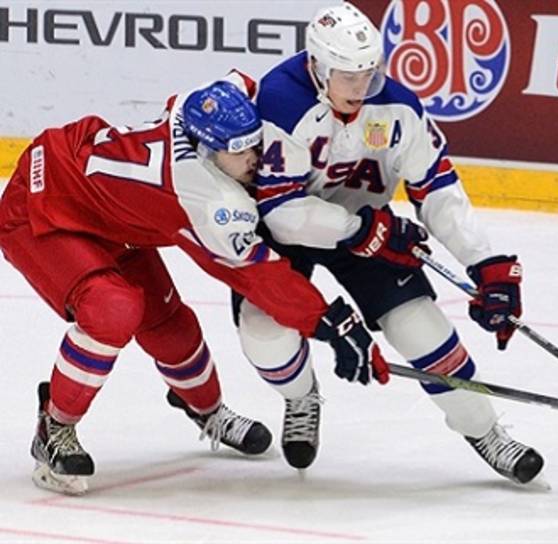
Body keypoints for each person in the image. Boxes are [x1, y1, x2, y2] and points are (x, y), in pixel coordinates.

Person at [0, 70, 389, 495]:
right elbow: (261, 276)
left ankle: (208, 411)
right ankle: (54, 428)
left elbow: (253, 84)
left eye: (254, 144)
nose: (255, 159)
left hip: (104, 209)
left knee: (173, 330)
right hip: (41, 210)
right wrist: (330, 321)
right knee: (113, 308)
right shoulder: (208, 200)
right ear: (207, 150)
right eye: (240, 152)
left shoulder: (202, 106)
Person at [237, 2, 544, 484]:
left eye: (369, 74)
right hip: (290, 235)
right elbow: (281, 211)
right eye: (348, 76)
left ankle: (484, 430)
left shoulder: (399, 106)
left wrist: (486, 262)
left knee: (420, 328)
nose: (361, 88)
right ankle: (301, 397)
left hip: (367, 229)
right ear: (317, 66)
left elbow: (436, 186)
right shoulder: (281, 101)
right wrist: (361, 230)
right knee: (264, 332)